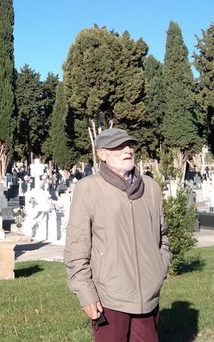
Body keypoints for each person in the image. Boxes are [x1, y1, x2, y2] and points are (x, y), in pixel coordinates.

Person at [64, 127, 171, 341]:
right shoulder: (88, 188)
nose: (127, 150)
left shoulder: (151, 188)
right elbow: (77, 246)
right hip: (109, 297)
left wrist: (160, 268)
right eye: (118, 147)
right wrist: (86, 293)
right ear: (101, 154)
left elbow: (163, 237)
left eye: (129, 145)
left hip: (148, 297)